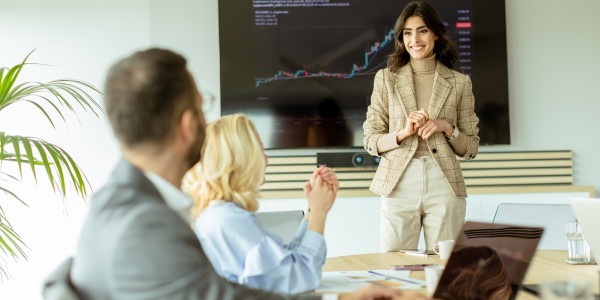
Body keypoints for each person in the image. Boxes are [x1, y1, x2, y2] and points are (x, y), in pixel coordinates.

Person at [64, 47, 411, 300]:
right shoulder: (148, 225)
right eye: (203, 107)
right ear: (187, 125)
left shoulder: (115, 202)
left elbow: (226, 293)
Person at [363, 1, 480, 252]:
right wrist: (403, 133)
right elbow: (371, 140)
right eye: (407, 33)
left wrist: (448, 128)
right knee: (394, 269)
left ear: (436, 34)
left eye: (422, 30)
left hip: (444, 183)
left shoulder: (460, 83)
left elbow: (471, 148)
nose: (414, 39)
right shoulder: (386, 79)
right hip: (399, 182)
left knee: (446, 268)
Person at [183, 114, 338, 294]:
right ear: (243, 160)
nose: (266, 160)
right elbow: (301, 277)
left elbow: (286, 260)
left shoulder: (219, 214)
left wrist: (313, 208)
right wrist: (320, 211)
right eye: (261, 152)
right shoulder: (229, 221)